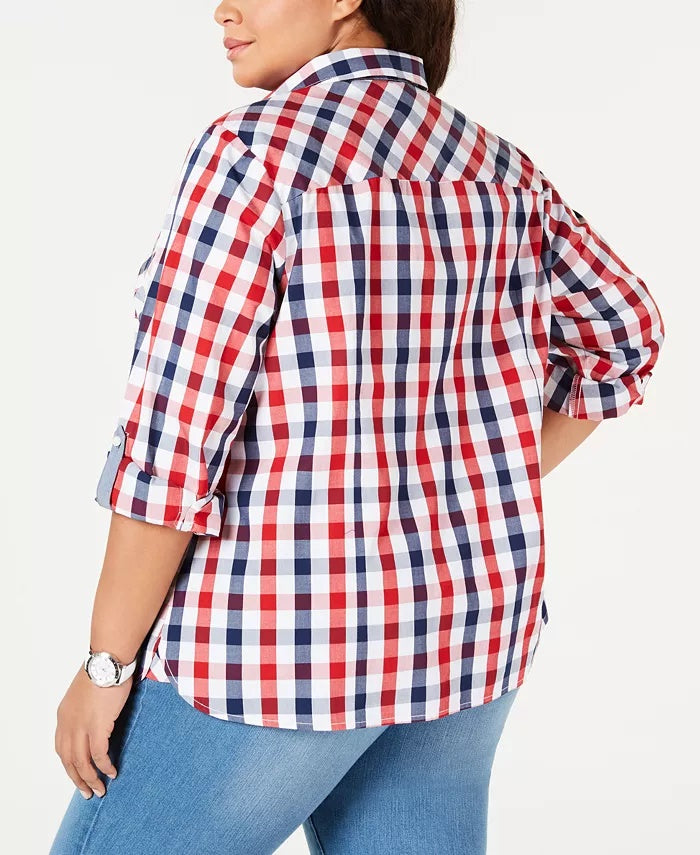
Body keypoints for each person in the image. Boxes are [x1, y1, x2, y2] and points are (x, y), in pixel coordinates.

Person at [50, 1, 666, 853]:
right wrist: (478, 481)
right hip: (466, 633)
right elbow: (624, 334)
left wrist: (106, 664)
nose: (222, 9)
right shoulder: (498, 167)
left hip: (281, 648)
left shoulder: (255, 155)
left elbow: (174, 442)